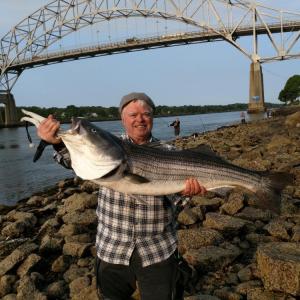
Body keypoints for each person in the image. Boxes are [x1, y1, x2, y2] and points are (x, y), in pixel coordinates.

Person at [37, 92, 207, 300]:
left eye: (146, 114)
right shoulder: (109, 145)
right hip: (112, 248)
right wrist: (56, 143)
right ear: (122, 118)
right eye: (133, 114)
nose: (140, 119)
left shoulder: (169, 151)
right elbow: (75, 159)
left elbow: (176, 202)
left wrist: (186, 193)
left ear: (152, 117)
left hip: (158, 250)